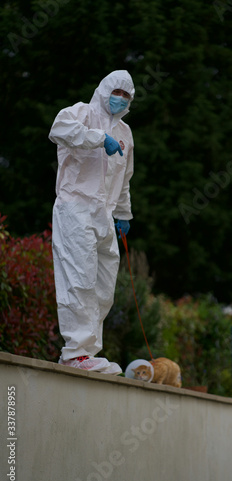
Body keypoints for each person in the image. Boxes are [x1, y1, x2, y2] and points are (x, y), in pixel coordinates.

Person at [49, 70, 135, 373]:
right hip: (75, 207)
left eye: (126, 95)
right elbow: (58, 130)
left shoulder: (125, 133)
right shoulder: (80, 113)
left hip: (104, 214)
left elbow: (124, 177)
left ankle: (88, 352)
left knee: (102, 286)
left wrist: (123, 213)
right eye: (116, 92)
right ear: (104, 89)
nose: (119, 99)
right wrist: (99, 139)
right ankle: (74, 352)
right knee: (79, 279)